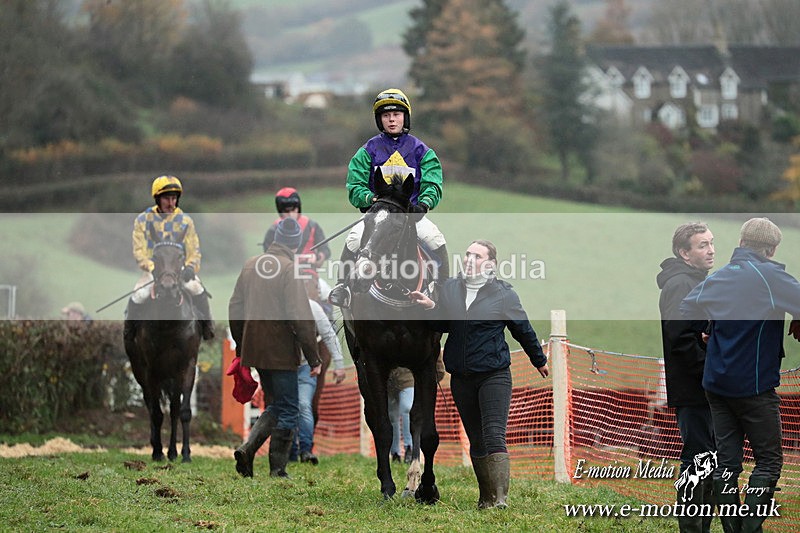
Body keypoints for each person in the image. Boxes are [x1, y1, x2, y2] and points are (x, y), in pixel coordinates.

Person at [410, 239, 549, 510]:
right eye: (468, 254)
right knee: (476, 438)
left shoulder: (503, 294)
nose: (469, 260)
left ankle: (500, 500)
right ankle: (485, 499)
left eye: (476, 256)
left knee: (494, 434)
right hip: (462, 377)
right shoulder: (451, 288)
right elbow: (444, 324)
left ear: (490, 264)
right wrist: (429, 306)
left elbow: (523, 329)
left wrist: (539, 360)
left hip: (494, 375)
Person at [681, 217, 800, 533]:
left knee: (728, 464)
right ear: (771, 248)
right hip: (754, 388)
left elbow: (687, 307)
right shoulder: (772, 277)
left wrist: (710, 329)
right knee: (769, 461)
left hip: (716, 385)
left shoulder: (721, 276)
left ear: (742, 243)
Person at [328, 88, 447, 308]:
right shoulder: (367, 151)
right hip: (379, 216)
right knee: (353, 240)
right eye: (386, 115)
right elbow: (354, 186)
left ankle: (443, 291)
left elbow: (433, 183)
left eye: (396, 115)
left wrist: (425, 203)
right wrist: (371, 200)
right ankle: (343, 287)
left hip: (411, 215)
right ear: (379, 120)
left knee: (436, 239)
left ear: (405, 117)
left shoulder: (422, 151)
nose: (391, 120)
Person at [229, 217, 322, 478]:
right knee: (290, 406)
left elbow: (234, 308)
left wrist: (241, 346)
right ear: (296, 244)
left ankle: (247, 451)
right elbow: (301, 319)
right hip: (280, 351)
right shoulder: (289, 269)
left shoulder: (250, 266)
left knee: (277, 405)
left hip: (254, 350)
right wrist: (314, 358)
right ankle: (277, 469)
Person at [657, 222, 716, 533]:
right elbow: (680, 338)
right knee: (697, 461)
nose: (711, 250)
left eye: (711, 242)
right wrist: (713, 372)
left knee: (707, 461)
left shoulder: (695, 281)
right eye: (702, 245)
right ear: (684, 252)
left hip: (701, 387)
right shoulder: (680, 285)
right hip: (695, 389)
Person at [124, 176, 214, 342]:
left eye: (174, 198)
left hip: (179, 270)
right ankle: (129, 333)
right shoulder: (143, 220)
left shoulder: (186, 221)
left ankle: (207, 327)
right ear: (157, 199)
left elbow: (194, 250)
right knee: (139, 295)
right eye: (167, 198)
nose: (171, 203)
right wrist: (152, 268)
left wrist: (190, 267)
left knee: (197, 289)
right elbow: (139, 251)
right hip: (153, 270)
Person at [293, 274, 346, 466]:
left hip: (306, 366)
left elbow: (330, 335)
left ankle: (306, 449)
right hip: (285, 366)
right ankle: (290, 450)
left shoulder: (315, 303)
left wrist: (339, 364)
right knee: (288, 408)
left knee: (304, 405)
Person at [262, 187, 331, 269]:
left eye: (294, 210)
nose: (291, 215)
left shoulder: (312, 226)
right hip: (283, 275)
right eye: (286, 211)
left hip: (308, 274)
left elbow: (325, 250)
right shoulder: (273, 230)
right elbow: (268, 256)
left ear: (299, 208)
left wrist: (318, 257)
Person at [387, 367, 414, 464]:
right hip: (388, 381)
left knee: (407, 408)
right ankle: (394, 453)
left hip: (407, 378)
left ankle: (409, 448)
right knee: (392, 417)